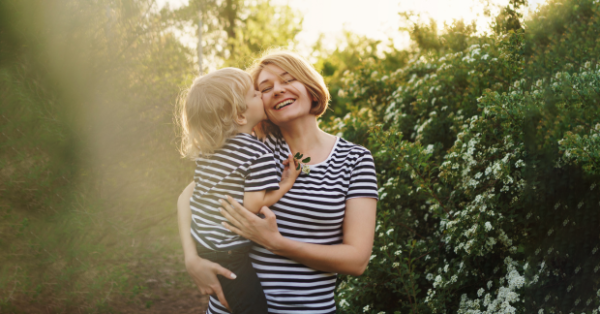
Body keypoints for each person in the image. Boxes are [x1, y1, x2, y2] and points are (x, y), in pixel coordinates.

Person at [177, 51, 379, 314]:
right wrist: (192, 259)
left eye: (288, 80)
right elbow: (188, 197)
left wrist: (276, 243)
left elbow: (357, 260)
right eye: (265, 88)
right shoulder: (253, 149)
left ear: (311, 88)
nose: (277, 91)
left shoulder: (354, 159)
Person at [177, 67, 301, 313]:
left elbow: (195, 195)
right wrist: (286, 183)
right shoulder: (257, 153)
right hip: (229, 250)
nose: (261, 95)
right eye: (255, 94)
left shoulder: (211, 151)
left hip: (203, 242)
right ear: (240, 117)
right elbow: (252, 207)